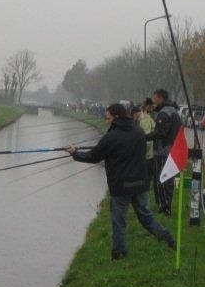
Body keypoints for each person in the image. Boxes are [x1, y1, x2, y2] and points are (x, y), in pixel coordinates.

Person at [65, 102, 175, 260]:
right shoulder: (138, 131)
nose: (106, 120)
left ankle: (119, 253)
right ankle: (167, 238)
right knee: (146, 216)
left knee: (119, 221)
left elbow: (93, 156)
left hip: (121, 186)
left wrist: (75, 153)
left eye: (108, 117)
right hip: (140, 183)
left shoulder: (111, 136)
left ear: (116, 117)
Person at [146, 88, 182, 216]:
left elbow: (160, 133)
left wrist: (144, 137)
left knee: (160, 180)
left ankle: (164, 207)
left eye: (154, 98)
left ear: (161, 98)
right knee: (169, 180)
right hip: (172, 151)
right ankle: (166, 206)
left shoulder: (163, 113)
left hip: (163, 151)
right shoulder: (174, 111)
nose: (153, 101)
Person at [138, 97, 156, 193]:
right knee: (147, 172)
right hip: (147, 151)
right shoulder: (144, 118)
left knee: (148, 172)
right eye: (151, 106)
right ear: (147, 106)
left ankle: (146, 186)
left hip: (149, 151)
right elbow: (146, 135)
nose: (152, 108)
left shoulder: (147, 116)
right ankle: (145, 188)